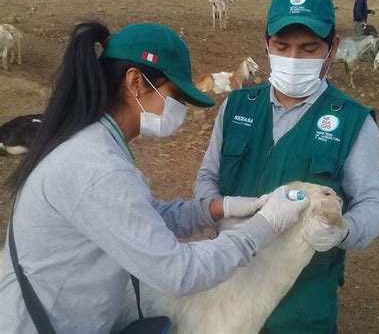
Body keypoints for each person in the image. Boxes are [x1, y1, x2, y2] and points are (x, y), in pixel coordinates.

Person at [0, 21, 310, 333]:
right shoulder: (96, 167)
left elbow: (136, 217)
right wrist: (263, 227)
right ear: (135, 81)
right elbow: (178, 272)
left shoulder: (91, 143)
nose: (180, 109)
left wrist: (218, 208)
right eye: (175, 95)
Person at [194, 0, 379, 333]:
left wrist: (342, 231)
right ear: (266, 43)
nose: (294, 59)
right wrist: (221, 212)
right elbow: (207, 178)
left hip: (301, 310)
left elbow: (374, 204)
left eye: (309, 48)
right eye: (282, 47)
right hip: (223, 294)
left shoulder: (352, 122)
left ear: (333, 49)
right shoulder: (236, 106)